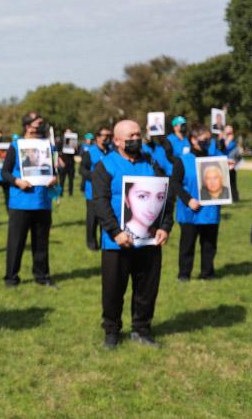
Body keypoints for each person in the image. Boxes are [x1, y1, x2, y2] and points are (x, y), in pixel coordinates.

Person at [92, 120, 174, 349]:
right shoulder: (105, 166)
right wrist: (115, 232)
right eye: (131, 136)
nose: (136, 139)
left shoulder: (152, 163)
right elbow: (100, 203)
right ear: (117, 141)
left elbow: (167, 196)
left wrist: (165, 226)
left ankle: (142, 329)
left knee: (146, 290)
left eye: (138, 135)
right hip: (117, 243)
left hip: (149, 241)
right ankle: (112, 331)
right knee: (113, 291)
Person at [2, 112, 58, 287]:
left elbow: (54, 169)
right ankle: (11, 277)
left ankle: (42, 276)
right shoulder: (16, 145)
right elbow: (5, 172)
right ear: (28, 126)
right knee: (16, 242)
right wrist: (17, 182)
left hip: (43, 201)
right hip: (21, 202)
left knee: (41, 242)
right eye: (38, 123)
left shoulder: (48, 146)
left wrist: (54, 178)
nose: (42, 126)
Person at [170, 124, 226, 281]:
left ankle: (207, 273)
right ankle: (184, 274)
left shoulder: (214, 160)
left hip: (210, 211)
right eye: (204, 139)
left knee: (209, 245)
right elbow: (174, 183)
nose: (207, 142)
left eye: (208, 139)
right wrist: (188, 200)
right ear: (193, 139)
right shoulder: (182, 160)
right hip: (190, 211)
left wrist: (228, 169)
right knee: (187, 245)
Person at [80, 126, 112, 251]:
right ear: (98, 137)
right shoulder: (90, 152)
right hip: (92, 192)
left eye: (109, 136)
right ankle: (92, 244)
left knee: (106, 217)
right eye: (104, 136)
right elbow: (82, 169)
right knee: (92, 219)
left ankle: (105, 242)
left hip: (108, 191)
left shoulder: (111, 152)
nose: (107, 138)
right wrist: (94, 177)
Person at [221, 125, 241, 202]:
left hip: (231, 164)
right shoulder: (222, 140)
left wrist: (228, 140)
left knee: (232, 182)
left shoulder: (233, 142)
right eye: (228, 130)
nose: (230, 132)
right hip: (223, 163)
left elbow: (230, 149)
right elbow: (222, 148)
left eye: (231, 131)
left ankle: (234, 198)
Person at [59, 129, 76, 196]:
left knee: (71, 179)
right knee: (62, 179)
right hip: (63, 163)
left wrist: (75, 148)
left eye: (70, 132)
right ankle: (60, 193)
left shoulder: (73, 142)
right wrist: (60, 161)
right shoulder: (61, 142)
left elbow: (76, 153)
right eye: (67, 132)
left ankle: (70, 193)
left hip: (71, 163)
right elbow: (57, 153)